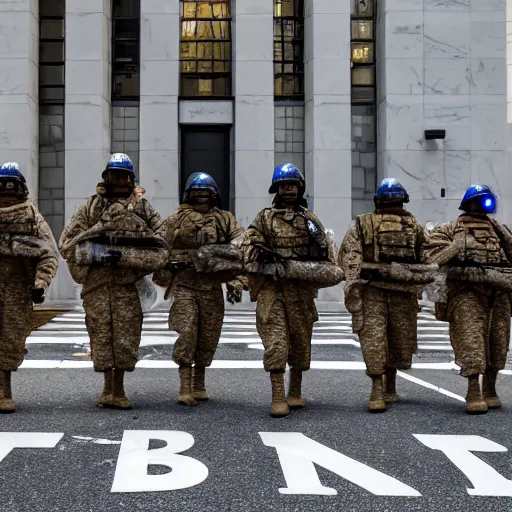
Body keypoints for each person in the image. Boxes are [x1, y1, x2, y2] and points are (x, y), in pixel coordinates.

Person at [59, 153, 167, 409]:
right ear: (106, 178)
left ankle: (119, 389)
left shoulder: (143, 208)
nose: (118, 181)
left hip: (127, 287)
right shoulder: (91, 207)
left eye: (123, 176)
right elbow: (68, 243)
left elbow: (162, 248)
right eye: (114, 176)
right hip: (97, 285)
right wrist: (97, 246)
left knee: (126, 338)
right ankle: (107, 389)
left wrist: (126, 256)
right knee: (100, 335)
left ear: (131, 179)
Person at [241, 163, 342, 417]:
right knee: (275, 342)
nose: (288, 190)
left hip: (300, 292)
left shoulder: (310, 219)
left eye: (293, 185)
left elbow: (325, 254)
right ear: (276, 188)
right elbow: (248, 244)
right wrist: (261, 254)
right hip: (272, 290)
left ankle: (294, 391)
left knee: (299, 341)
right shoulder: (264, 217)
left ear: (300, 188)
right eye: (284, 185)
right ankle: (277, 396)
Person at [339, 178, 432, 412]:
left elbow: (427, 258)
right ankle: (378, 388)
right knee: (374, 339)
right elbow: (351, 256)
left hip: (400, 292)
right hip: (374, 291)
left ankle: (389, 385)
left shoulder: (412, 226)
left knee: (398, 340)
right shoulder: (365, 225)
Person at [153, 172, 245, 406]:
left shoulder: (224, 219)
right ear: (188, 196)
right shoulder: (177, 220)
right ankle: (185, 386)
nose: (201, 198)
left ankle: (199, 383)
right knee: (187, 332)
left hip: (212, 286)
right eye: (197, 194)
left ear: (214, 196)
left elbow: (241, 242)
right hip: (185, 285)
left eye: (206, 194)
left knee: (208, 335)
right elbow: (160, 245)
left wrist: (224, 263)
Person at [423, 185, 512, 414]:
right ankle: (473, 389)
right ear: (468, 203)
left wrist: (501, 232)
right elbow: (432, 258)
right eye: (479, 201)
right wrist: (457, 244)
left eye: (487, 201)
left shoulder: (500, 231)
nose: (484, 206)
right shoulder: (450, 229)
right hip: (466, 293)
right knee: (470, 340)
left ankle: (490, 388)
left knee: (498, 341)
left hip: (499, 293)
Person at [0, 162, 58, 413]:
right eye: (2, 188)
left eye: (12, 188)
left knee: (11, 340)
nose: (7, 194)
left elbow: (49, 253)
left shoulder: (33, 217)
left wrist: (40, 283)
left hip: (17, 286)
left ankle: (4, 391)